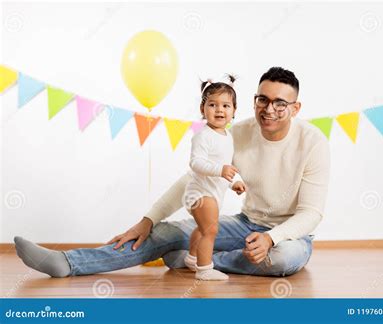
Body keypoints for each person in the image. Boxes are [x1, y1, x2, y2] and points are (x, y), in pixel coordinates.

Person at [14, 67, 330, 278]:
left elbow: (311, 213)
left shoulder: (313, 143)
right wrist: (148, 219)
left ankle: (192, 259)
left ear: (296, 108)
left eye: (279, 103)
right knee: (165, 233)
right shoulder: (237, 133)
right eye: (263, 99)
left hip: (290, 235)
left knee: (283, 260)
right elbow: (196, 179)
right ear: (254, 100)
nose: (269, 109)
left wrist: (271, 238)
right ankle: (69, 263)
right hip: (245, 225)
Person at [183, 75, 246, 281]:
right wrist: (221, 170)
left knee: (203, 229)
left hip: (213, 193)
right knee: (211, 229)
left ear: (234, 111)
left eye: (226, 105)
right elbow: (196, 163)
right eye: (213, 105)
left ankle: (192, 258)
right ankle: (204, 269)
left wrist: (233, 181)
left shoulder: (228, 137)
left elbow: (222, 171)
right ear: (203, 109)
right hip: (199, 193)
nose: (219, 110)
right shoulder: (203, 136)